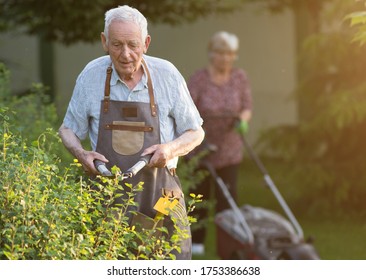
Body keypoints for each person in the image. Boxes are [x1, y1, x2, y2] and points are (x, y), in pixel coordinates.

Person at [58, 5, 204, 260]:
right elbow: (68, 129)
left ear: (146, 43)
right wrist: (81, 153)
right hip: (107, 201)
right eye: (117, 44)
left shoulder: (167, 75)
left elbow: (196, 132)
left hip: (162, 198)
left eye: (133, 45)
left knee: (172, 260)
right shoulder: (91, 75)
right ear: (104, 42)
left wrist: (168, 149)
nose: (125, 54)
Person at [187, 31, 253, 255]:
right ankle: (196, 243)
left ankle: (228, 245)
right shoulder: (199, 79)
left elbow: (246, 106)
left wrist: (242, 120)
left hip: (229, 149)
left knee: (228, 198)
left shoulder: (239, 77)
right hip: (200, 148)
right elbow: (187, 108)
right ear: (211, 53)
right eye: (221, 53)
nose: (226, 58)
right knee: (200, 195)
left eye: (230, 53)